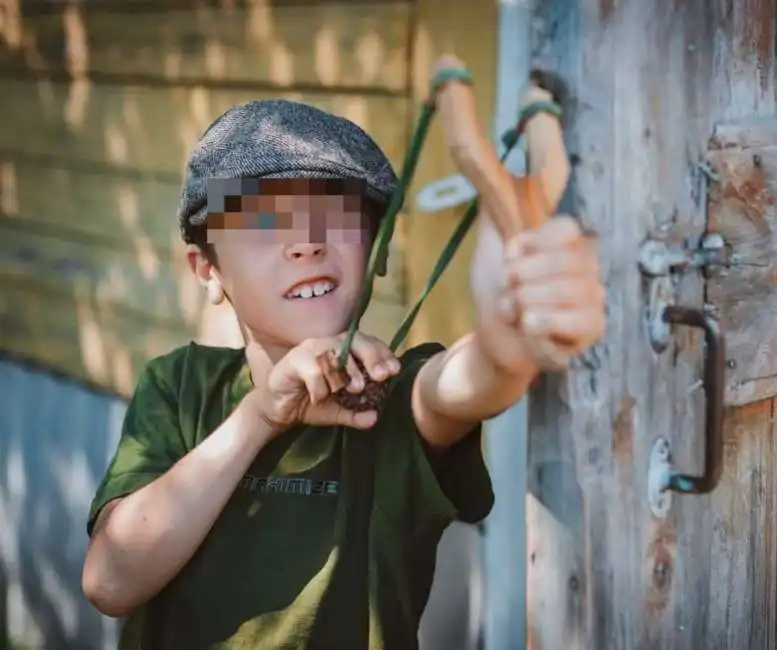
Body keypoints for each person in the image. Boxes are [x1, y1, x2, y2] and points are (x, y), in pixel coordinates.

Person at [80, 98, 606, 649]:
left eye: (335, 216)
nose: (306, 243)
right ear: (208, 270)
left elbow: (470, 378)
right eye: (262, 221)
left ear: (377, 250)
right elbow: (110, 582)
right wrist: (260, 416)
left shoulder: (393, 392)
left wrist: (512, 329)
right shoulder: (178, 385)